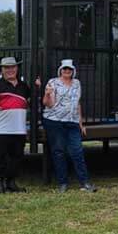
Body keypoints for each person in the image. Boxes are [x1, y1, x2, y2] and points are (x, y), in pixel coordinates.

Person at [42, 58, 95, 192]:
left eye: (69, 69)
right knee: (59, 151)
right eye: (65, 69)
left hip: (72, 121)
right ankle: (63, 183)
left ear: (73, 71)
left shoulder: (77, 83)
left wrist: (81, 124)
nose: (67, 71)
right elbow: (47, 104)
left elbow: (77, 104)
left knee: (77, 151)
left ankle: (85, 182)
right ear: (60, 70)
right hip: (54, 121)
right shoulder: (52, 82)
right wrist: (47, 94)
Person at [0, 56, 30, 194]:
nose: (10, 70)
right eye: (7, 68)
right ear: (2, 70)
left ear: (17, 68)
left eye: (12, 67)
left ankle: (11, 182)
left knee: (16, 157)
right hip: (0, 129)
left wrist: (38, 87)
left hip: (19, 128)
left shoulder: (24, 86)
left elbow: (30, 101)